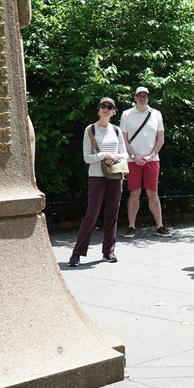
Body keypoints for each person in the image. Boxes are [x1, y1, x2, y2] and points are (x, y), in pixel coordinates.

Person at [68, 97, 127, 267]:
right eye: (103, 106)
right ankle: (77, 253)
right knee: (91, 214)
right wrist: (105, 155)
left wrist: (115, 156)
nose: (106, 109)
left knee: (112, 214)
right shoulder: (90, 130)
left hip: (115, 176)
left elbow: (124, 154)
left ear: (114, 112)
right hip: (96, 177)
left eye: (110, 107)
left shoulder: (116, 130)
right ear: (98, 109)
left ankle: (108, 252)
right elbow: (87, 157)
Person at [120, 87, 171, 238]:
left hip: (152, 160)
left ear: (148, 98)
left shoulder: (156, 114)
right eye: (139, 96)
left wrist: (151, 155)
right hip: (131, 160)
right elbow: (123, 139)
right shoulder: (126, 114)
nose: (142, 98)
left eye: (145, 96)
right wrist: (134, 156)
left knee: (153, 193)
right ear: (134, 98)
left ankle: (160, 226)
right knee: (134, 192)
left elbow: (160, 138)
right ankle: (131, 227)